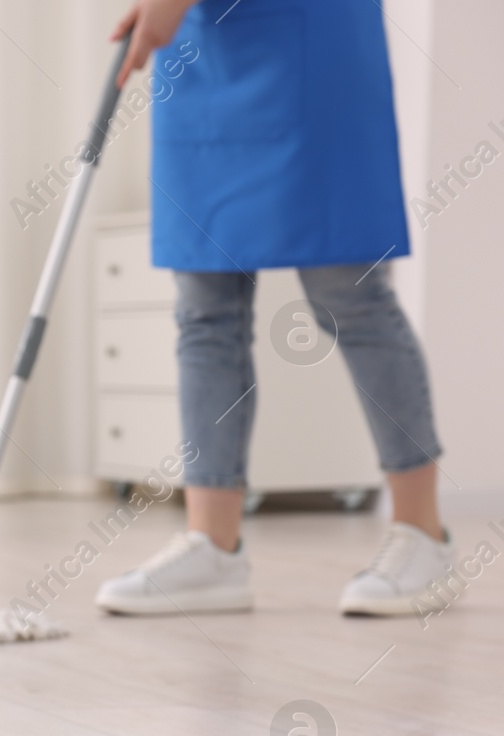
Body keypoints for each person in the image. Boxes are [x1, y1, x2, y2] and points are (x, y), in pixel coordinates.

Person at [94, 0, 451, 617]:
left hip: (313, 38)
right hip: (205, 52)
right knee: (205, 308)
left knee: (351, 293)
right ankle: (213, 547)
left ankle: (425, 536)